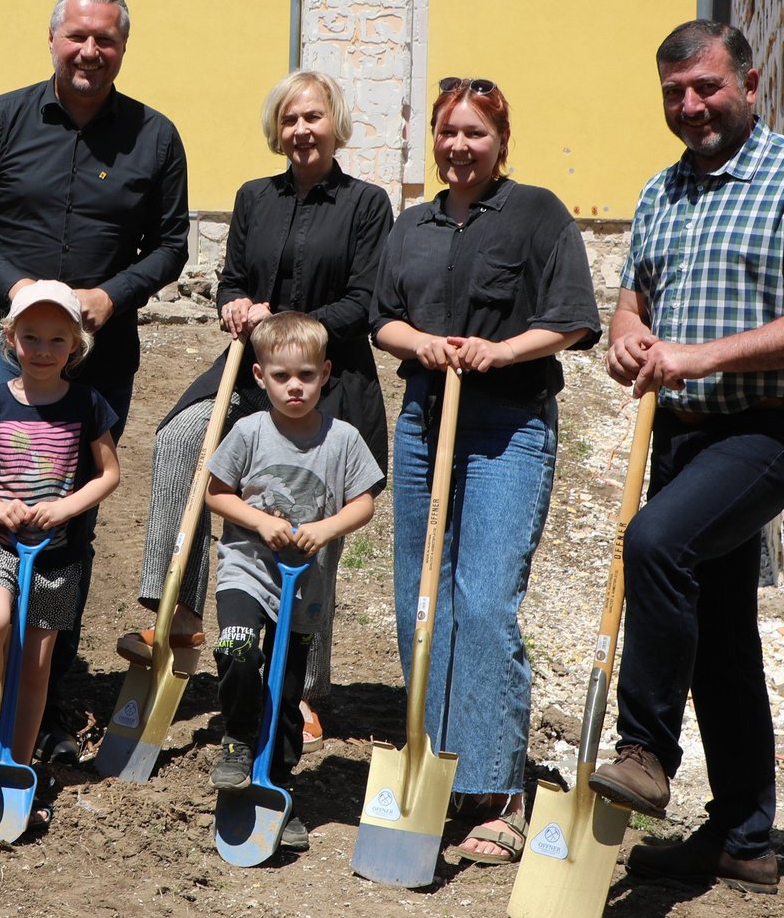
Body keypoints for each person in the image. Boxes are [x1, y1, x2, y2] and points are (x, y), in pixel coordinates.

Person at [588, 21, 784, 894]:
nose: (690, 105)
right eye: (674, 91)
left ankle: (645, 751)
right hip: (684, 433)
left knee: (654, 544)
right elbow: (633, 303)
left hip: (771, 427)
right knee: (720, 636)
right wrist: (630, 336)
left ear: (749, 81)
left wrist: (700, 353)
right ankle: (745, 837)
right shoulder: (661, 192)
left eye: (706, 86)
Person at [0, 0, 189, 753]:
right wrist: (19, 290)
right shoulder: (0, 122)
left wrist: (109, 297)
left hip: (100, 352)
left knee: (71, 500)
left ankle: (47, 668)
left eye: (105, 39)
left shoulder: (154, 136)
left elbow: (174, 243)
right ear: (52, 39)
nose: (89, 51)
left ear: (122, 48)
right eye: (77, 36)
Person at [121, 70, 391, 746]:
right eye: (290, 118)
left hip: (326, 378)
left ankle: (300, 685)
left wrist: (288, 323)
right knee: (181, 437)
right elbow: (232, 281)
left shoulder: (366, 203)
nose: (302, 129)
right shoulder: (253, 198)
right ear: (277, 128)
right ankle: (176, 608)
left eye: (314, 117)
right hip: (249, 370)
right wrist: (236, 306)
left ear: (336, 124)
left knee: (310, 516)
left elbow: (364, 301)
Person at [371, 77, 601, 863]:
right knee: (421, 594)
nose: (459, 146)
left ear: (502, 141)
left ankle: (498, 789)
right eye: (448, 132)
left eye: (475, 133)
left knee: (486, 598)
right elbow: (383, 316)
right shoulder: (413, 225)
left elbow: (572, 316)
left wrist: (500, 351)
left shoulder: (537, 214)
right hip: (424, 425)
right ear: (433, 138)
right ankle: (437, 767)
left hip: (508, 426)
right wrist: (421, 343)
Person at [204, 311, 382, 852]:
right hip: (247, 569)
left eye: (306, 374)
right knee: (237, 650)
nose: (295, 386)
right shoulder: (249, 431)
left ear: (326, 372)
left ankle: (276, 787)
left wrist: (324, 529)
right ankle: (236, 739)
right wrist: (261, 521)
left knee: (286, 695)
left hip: (305, 589)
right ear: (260, 377)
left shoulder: (343, 439)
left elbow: (365, 502)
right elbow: (216, 491)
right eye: (282, 377)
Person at [0, 282, 120, 817]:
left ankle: (17, 766)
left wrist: (67, 508)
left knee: (35, 664)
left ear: (75, 344)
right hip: (2, 545)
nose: (43, 349)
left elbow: (109, 474)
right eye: (31, 337)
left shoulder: (87, 403)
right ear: (10, 338)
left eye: (56, 339)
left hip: (57, 554)